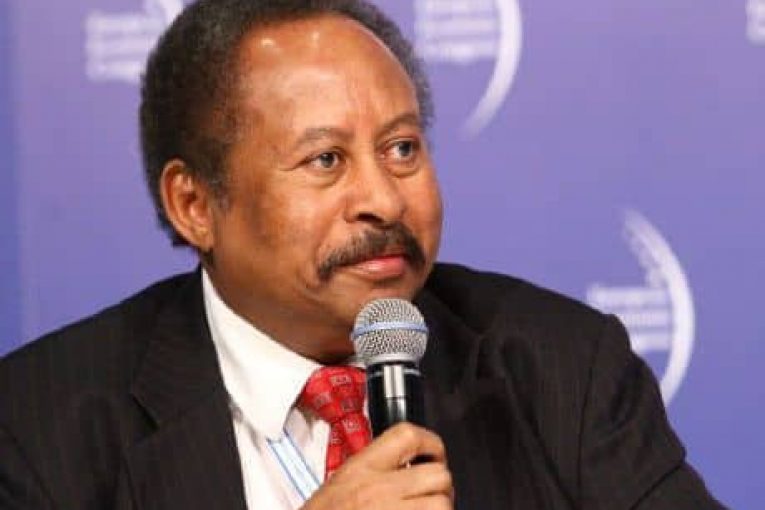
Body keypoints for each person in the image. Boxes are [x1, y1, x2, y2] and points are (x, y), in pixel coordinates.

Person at [0, 1, 724, 509]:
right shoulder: (40, 424)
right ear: (194, 204)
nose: (383, 198)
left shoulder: (562, 366)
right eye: (325, 159)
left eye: (401, 148)